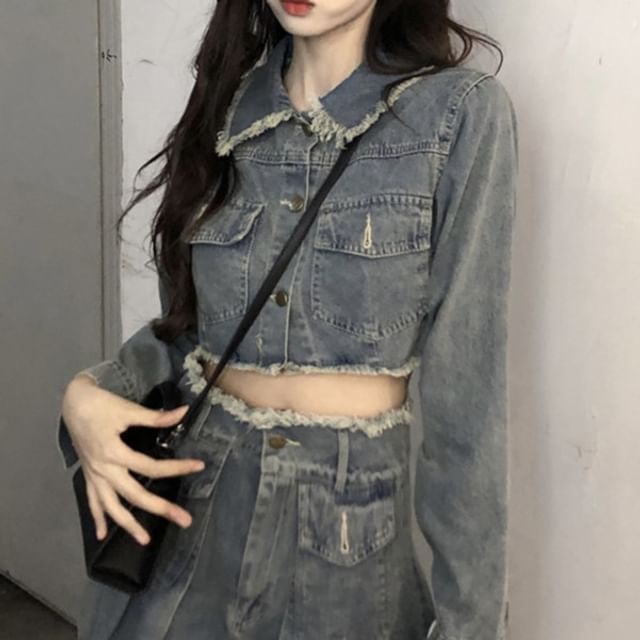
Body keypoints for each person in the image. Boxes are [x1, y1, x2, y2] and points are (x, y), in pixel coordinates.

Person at [57, 1, 518, 639]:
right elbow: (186, 336)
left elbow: (468, 404)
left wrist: (473, 626)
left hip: (346, 543)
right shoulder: (225, 108)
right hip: (195, 514)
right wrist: (88, 395)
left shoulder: (457, 114)